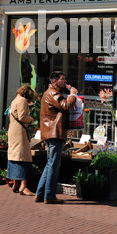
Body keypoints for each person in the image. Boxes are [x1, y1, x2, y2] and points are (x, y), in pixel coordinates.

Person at [35, 71, 77, 204]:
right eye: (62, 79)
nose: (65, 81)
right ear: (55, 81)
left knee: (50, 164)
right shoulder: (53, 93)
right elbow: (65, 105)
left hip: (51, 133)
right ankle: (49, 195)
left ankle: (40, 193)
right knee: (53, 164)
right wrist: (72, 95)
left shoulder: (50, 93)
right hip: (55, 133)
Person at [7, 84, 37, 195]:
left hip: (13, 131)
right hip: (20, 132)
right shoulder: (23, 100)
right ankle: (23, 187)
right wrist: (31, 119)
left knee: (15, 157)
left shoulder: (15, 100)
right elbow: (22, 116)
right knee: (24, 158)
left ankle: (16, 184)